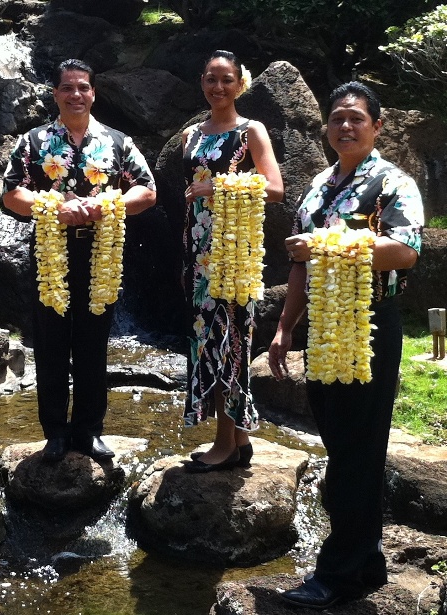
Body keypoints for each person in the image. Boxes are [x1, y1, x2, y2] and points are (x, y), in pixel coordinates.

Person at [268, 82, 423, 609]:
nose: (346, 127)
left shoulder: (392, 182)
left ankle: (336, 575)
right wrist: (286, 327)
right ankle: (369, 560)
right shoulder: (318, 186)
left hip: (368, 328)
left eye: (357, 118)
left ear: (377, 126)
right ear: (326, 127)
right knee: (340, 444)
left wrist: (331, 244)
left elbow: (404, 251)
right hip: (324, 328)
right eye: (337, 119)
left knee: (356, 452)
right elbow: (300, 264)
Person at [2, 59, 156, 463]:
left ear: (93, 93)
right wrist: (49, 207)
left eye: (83, 87)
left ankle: (90, 430)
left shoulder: (117, 142)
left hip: (99, 253)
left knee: (93, 344)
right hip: (51, 253)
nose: (76, 95)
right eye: (67, 88)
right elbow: (10, 193)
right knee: (50, 343)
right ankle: (54, 431)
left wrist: (109, 205)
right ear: (55, 93)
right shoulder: (33, 142)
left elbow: (148, 191)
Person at [181, 50, 283, 473]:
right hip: (197, 253)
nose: (217, 87)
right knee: (208, 341)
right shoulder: (191, 135)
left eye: (226, 79)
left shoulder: (250, 131)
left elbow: (274, 188)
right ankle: (238, 439)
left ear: (241, 83)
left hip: (233, 256)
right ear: (202, 82)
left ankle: (223, 445)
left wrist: (216, 189)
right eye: (210, 78)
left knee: (230, 342)